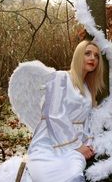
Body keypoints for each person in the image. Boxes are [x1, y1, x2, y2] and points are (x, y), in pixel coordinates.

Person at [17, 40, 104, 182]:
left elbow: (85, 121)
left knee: (74, 175)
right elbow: (55, 114)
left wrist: (88, 143)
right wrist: (78, 145)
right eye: (87, 53)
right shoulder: (61, 77)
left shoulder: (88, 89)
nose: (93, 58)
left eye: (96, 55)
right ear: (78, 56)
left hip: (74, 147)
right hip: (49, 141)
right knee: (47, 175)